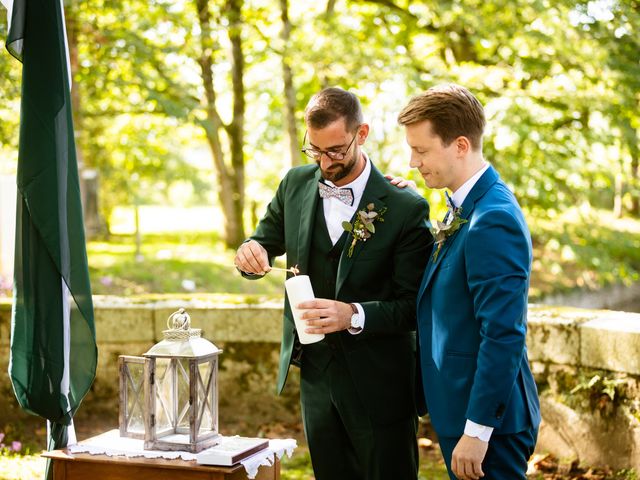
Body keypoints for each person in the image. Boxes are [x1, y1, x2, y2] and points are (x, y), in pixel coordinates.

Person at [235, 87, 432, 480]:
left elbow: (415, 307)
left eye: (336, 151)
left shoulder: (405, 208)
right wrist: (250, 251)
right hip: (316, 379)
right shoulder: (293, 184)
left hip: (380, 383)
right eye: (315, 151)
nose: (325, 163)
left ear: (362, 134)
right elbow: (262, 242)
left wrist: (353, 315)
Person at [397, 84, 541, 480]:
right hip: (458, 411)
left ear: (460, 145)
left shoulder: (492, 219)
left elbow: (503, 334)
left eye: (421, 151)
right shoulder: (463, 207)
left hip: (488, 426)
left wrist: (477, 431)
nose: (413, 162)